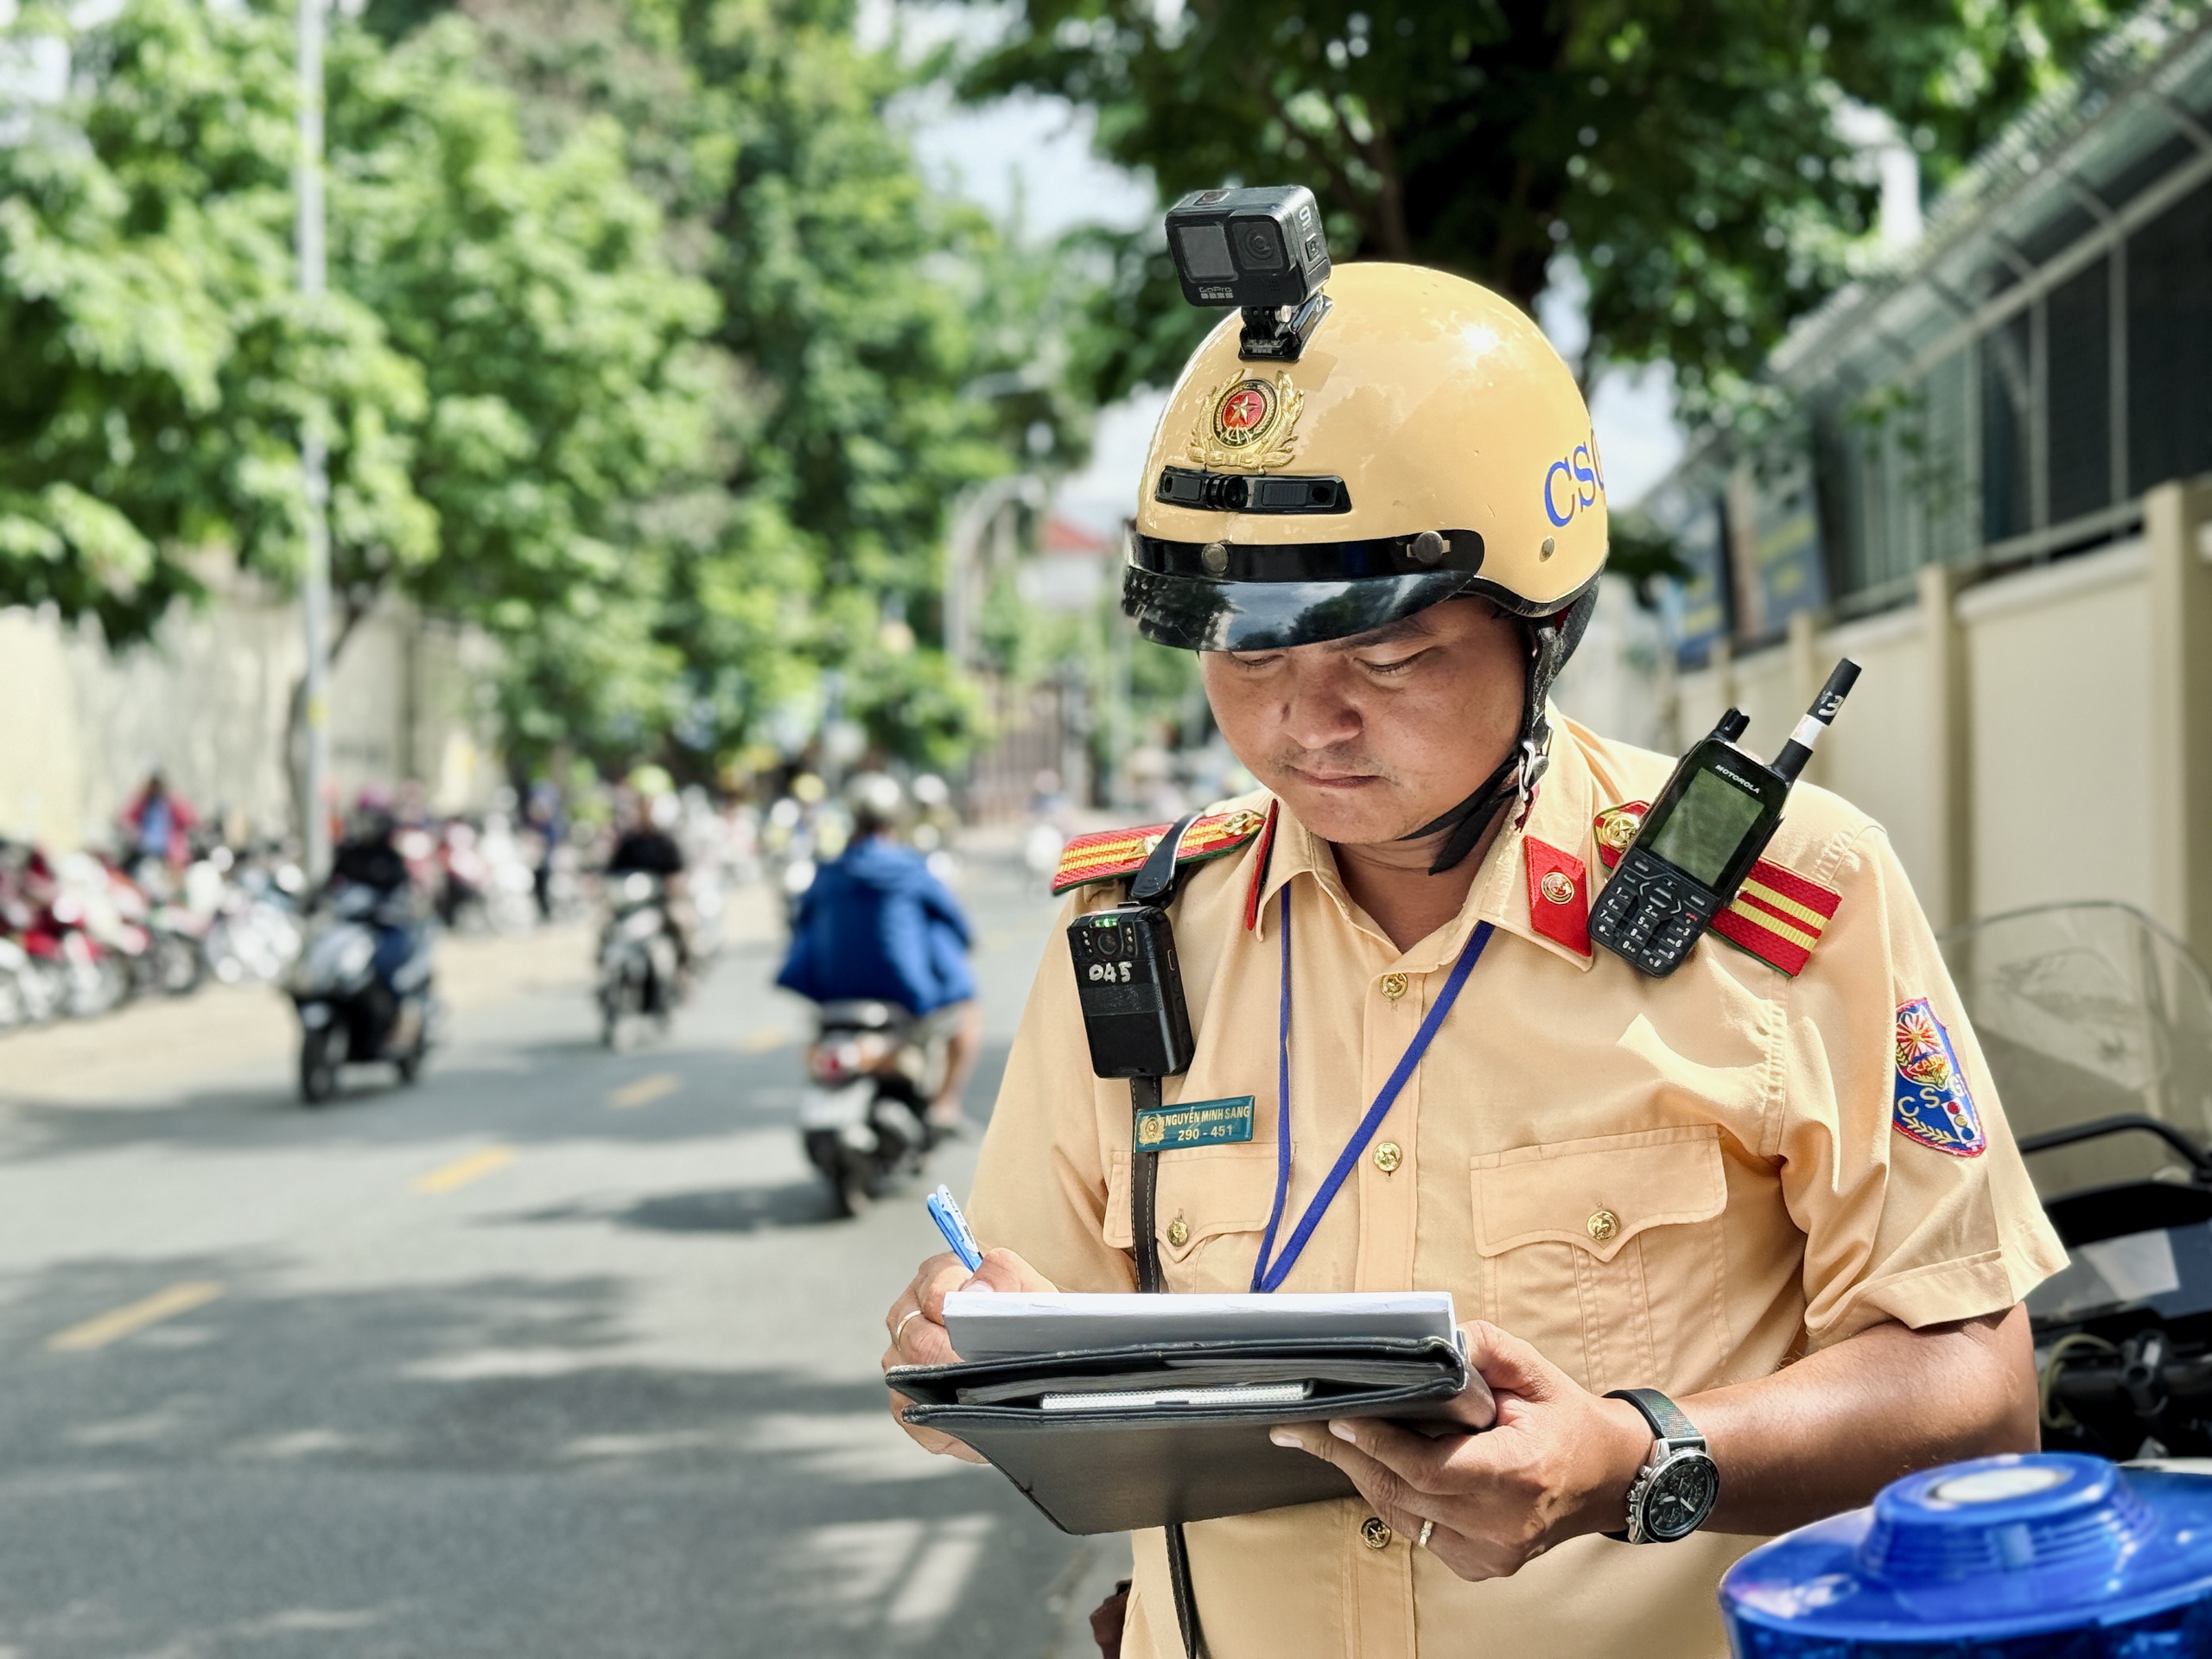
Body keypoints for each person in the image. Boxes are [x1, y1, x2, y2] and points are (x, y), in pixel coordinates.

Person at [880, 263, 2065, 1658]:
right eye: (1245, 659)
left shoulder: (1795, 903)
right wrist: (952, 1347)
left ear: (1541, 626)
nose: (1304, 724)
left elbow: (1977, 1389)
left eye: (1386, 659)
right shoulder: (1136, 943)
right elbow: (1010, 1358)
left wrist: (1634, 1462)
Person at [779, 773, 981, 1133]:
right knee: (967, 1012)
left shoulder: (828, 872)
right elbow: (955, 922)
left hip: (833, 991)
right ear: (894, 819)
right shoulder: (911, 869)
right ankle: (945, 1104)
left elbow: (800, 922)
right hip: (903, 992)